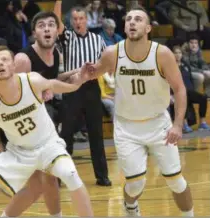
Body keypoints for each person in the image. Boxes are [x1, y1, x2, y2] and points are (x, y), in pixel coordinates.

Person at [83, 5, 194, 216]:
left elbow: (179, 89)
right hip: (126, 127)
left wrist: (178, 125)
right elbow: (90, 74)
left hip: (158, 124)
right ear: (124, 27)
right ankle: (131, 206)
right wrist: (77, 75)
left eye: (138, 19)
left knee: (176, 182)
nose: (132, 22)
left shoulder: (162, 54)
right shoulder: (112, 53)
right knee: (135, 185)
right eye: (129, 19)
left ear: (148, 28)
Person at [0, 45, 93, 217]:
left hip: (48, 145)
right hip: (19, 152)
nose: (1, 63)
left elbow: (55, 84)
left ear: (13, 65)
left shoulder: (31, 81)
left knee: (70, 175)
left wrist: (78, 83)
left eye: (5, 60)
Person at [3, 11, 66, 217]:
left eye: (51, 25)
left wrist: (78, 74)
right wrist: (41, 92)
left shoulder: (57, 53)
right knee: (40, 181)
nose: (47, 28)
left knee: (46, 178)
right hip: (22, 125)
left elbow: (51, 82)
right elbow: (14, 97)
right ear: (34, 33)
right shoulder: (23, 58)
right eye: (41, 25)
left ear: (57, 31)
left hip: (41, 122)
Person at [54, 0, 111, 186]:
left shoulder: (98, 39)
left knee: (96, 133)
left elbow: (105, 65)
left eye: (81, 18)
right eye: (75, 19)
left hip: (92, 88)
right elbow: (55, 20)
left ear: (86, 20)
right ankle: (60, 177)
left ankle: (102, 176)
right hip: (72, 88)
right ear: (71, 21)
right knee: (67, 134)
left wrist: (96, 69)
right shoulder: (68, 37)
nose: (78, 21)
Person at [172, 46, 210, 133]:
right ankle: (184, 124)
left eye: (179, 53)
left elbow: (190, 78)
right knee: (184, 97)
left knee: (203, 97)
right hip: (178, 92)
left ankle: (202, 123)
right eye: (175, 53)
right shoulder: (171, 66)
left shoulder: (185, 64)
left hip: (189, 90)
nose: (178, 55)